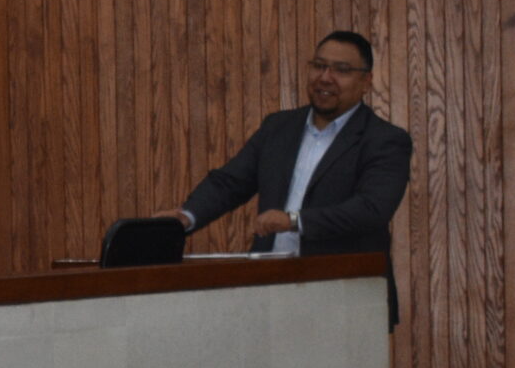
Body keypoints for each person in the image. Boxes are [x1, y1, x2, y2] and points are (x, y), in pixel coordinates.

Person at [159, 29, 413, 323]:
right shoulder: (278, 127)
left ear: (366, 81)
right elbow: (230, 182)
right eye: (319, 66)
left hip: (346, 300)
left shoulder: (384, 140)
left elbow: (371, 209)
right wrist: (186, 217)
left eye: (341, 70)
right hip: (271, 293)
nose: (325, 77)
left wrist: (294, 221)